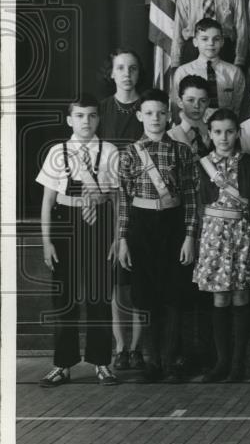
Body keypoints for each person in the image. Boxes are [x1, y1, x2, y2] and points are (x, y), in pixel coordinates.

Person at [116, 88, 199, 383]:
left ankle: (171, 361)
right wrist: (123, 239)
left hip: (173, 223)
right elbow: (124, 200)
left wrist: (190, 236)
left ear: (169, 115)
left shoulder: (181, 151)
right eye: (149, 113)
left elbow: (190, 196)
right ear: (139, 116)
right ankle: (151, 362)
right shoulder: (128, 154)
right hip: (142, 225)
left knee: (174, 294)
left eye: (161, 113)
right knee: (147, 294)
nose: (155, 119)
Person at [37, 95, 120, 387]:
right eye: (80, 116)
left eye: (92, 116)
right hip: (65, 225)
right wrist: (47, 242)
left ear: (99, 119)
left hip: (99, 225)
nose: (86, 121)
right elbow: (47, 201)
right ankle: (62, 365)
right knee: (66, 300)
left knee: (99, 296)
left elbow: (117, 199)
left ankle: (101, 363)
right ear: (70, 120)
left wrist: (117, 238)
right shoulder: (57, 152)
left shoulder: (109, 151)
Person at [192, 109, 250, 383]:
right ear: (210, 134)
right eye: (218, 132)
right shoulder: (202, 165)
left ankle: (238, 363)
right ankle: (221, 362)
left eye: (230, 131)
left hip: (242, 233)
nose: (224, 137)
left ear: (238, 133)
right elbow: (197, 203)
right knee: (219, 297)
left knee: (241, 297)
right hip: (212, 235)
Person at [96, 49, 144, 373]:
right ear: (111, 73)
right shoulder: (100, 111)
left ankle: (138, 349)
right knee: (116, 283)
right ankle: (120, 345)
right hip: (111, 206)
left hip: (143, 205)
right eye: (120, 68)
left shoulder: (149, 109)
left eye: (133, 68)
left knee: (140, 281)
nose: (127, 73)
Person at [170, 18, 246, 121]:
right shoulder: (183, 72)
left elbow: (238, 107)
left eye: (216, 39)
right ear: (195, 42)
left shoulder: (234, 72)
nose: (211, 43)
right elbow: (176, 108)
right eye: (205, 39)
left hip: (225, 129)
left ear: (222, 42)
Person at [167, 75, 211, 158]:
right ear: (180, 102)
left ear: (208, 102)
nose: (196, 106)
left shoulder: (215, 133)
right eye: (190, 100)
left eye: (202, 101)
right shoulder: (169, 137)